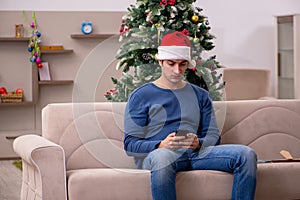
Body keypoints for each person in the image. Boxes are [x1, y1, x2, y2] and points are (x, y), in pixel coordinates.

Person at [124, 31, 257, 200]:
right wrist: (161, 145)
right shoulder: (141, 95)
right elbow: (130, 144)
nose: (177, 70)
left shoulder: (200, 95)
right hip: (162, 155)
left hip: (195, 154)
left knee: (246, 155)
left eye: (182, 64)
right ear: (160, 62)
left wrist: (198, 142)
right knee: (162, 157)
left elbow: (214, 137)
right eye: (171, 64)